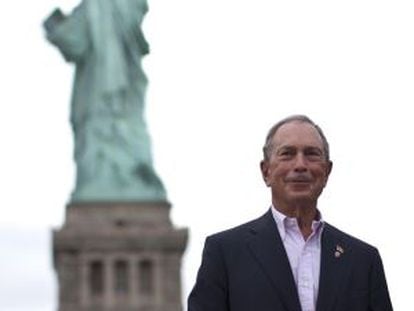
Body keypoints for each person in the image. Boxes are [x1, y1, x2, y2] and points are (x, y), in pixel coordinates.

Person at [188, 115, 393, 311]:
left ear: (327, 172)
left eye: (312, 154)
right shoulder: (225, 253)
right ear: (266, 171)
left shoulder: (363, 260)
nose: (300, 165)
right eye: (287, 153)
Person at [43, 0, 166, 202]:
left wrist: (54, 26)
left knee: (106, 129)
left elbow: (75, 43)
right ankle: (114, 180)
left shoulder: (97, 5)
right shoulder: (103, 6)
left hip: (107, 85)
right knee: (111, 129)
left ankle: (123, 179)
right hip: (107, 83)